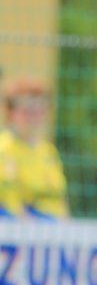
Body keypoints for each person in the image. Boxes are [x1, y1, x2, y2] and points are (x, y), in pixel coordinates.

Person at [0, 76, 69, 219]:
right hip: (17, 223)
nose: (34, 118)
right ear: (12, 113)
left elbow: (60, 197)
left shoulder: (48, 151)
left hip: (49, 222)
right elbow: (10, 199)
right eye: (28, 111)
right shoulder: (5, 148)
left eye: (39, 111)